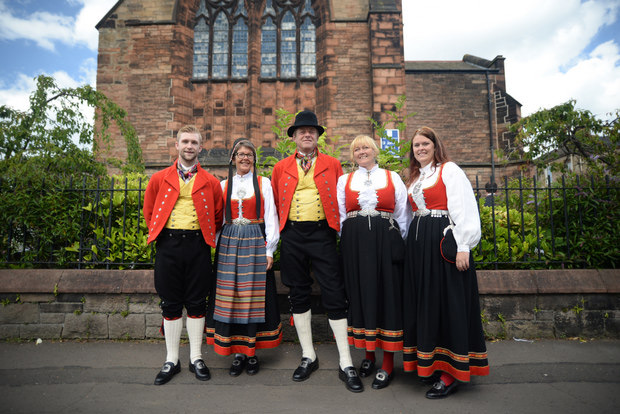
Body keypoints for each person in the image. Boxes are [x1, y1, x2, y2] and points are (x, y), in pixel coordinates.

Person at [271, 110, 363, 393]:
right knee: (298, 292)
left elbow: (343, 198)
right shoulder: (280, 167)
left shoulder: (333, 164)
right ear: (294, 138)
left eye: (311, 130)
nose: (307, 134)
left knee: (334, 292)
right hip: (293, 235)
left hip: (323, 234)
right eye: (301, 131)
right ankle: (308, 355)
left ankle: (346, 361)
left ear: (317, 136)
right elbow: (275, 203)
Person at [402, 126, 489, 398]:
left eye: (425, 143)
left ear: (435, 145)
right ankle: (431, 365)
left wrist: (464, 246)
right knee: (426, 305)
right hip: (418, 249)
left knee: (446, 304)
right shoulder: (416, 177)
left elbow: (464, 208)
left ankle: (450, 373)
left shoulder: (448, 170)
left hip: (441, 246)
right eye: (416, 145)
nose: (420, 148)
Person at [143, 125, 223, 385]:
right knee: (171, 303)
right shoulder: (159, 178)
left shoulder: (211, 182)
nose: (189, 146)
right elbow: (150, 212)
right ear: (176, 145)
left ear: (201, 148)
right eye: (185, 141)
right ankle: (171, 360)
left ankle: (197, 358)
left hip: (198, 246)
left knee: (198, 302)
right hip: (168, 245)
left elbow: (218, 216)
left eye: (194, 143)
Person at [336, 135, 410, 390]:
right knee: (360, 297)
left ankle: (387, 362)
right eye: (356, 149)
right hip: (355, 244)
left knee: (386, 297)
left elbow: (403, 216)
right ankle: (368, 356)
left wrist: (394, 243)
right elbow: (341, 215)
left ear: (375, 150)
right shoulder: (344, 180)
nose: (361, 151)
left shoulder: (392, 178)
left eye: (366, 147)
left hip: (385, 242)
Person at [205, 138, 282, 376]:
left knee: (252, 298)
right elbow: (217, 221)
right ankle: (236, 354)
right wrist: (217, 247)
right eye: (241, 154)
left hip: (255, 243)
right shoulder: (223, 185)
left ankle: (251, 353)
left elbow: (271, 218)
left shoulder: (264, 183)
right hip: (229, 246)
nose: (245, 157)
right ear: (233, 158)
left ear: (254, 159)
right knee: (231, 298)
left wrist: (269, 250)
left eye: (249, 154)